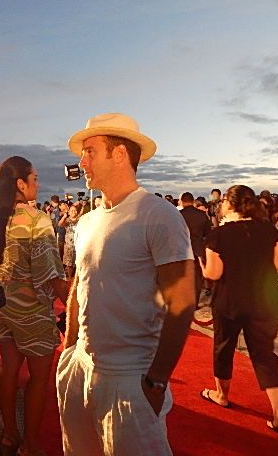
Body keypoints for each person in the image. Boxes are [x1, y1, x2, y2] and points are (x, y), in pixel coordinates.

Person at [58, 113, 195, 456]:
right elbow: (80, 282)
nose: (82, 161)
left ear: (119, 154)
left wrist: (156, 380)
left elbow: (182, 301)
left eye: (90, 151)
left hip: (129, 376)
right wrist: (70, 349)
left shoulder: (158, 215)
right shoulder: (87, 221)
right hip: (80, 366)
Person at [0, 156, 67, 456]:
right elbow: (49, 271)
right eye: (35, 179)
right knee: (39, 377)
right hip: (29, 307)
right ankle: (30, 444)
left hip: (0, 302)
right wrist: (73, 303)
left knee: (9, 368)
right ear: (20, 183)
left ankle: (9, 435)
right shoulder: (36, 219)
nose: (38, 185)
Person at [198, 185, 278, 443]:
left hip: (230, 301)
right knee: (264, 355)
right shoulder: (268, 230)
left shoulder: (219, 234)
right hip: (264, 302)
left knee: (223, 347)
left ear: (230, 204)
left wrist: (203, 267)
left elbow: (214, 273)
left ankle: (221, 395)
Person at [179, 191, 212, 305]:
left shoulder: (178, 215)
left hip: (182, 249)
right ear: (193, 201)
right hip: (198, 249)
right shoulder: (202, 215)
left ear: (182, 202)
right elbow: (208, 234)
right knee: (197, 277)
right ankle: (195, 302)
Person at [59, 203, 81, 279]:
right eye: (71, 210)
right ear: (69, 212)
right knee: (69, 263)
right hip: (69, 245)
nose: (73, 212)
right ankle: (70, 277)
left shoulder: (80, 220)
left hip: (78, 244)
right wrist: (64, 217)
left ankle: (77, 278)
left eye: (75, 210)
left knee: (78, 261)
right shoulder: (67, 220)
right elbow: (60, 224)